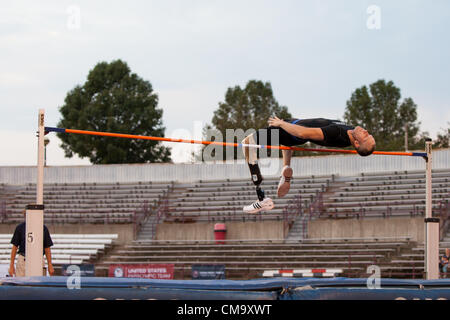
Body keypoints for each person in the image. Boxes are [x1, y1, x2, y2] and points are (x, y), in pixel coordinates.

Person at [242, 116, 376, 213]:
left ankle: (261, 197)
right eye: (369, 134)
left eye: (366, 136)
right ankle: (286, 168)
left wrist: (281, 123)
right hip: (295, 123)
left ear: (357, 143)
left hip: (291, 132)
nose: (366, 132)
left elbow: (302, 133)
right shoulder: (351, 131)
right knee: (286, 144)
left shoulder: (336, 133)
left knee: (247, 143)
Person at [8, 209, 55, 277]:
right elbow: (14, 247)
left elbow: (47, 247)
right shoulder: (20, 228)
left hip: (38, 259)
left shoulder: (43, 228)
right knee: (21, 284)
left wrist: (50, 264)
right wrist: (11, 265)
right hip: (23, 259)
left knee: (39, 283)